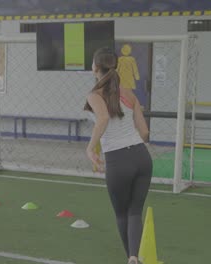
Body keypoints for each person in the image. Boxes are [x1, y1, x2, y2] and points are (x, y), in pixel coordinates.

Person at [84, 47, 152, 264]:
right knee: (135, 212)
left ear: (95, 68)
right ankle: (134, 257)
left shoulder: (94, 95)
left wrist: (90, 148)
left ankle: (131, 258)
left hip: (118, 160)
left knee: (122, 214)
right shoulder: (130, 94)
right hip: (142, 158)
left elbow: (103, 119)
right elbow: (145, 133)